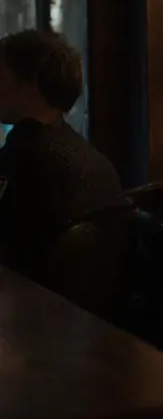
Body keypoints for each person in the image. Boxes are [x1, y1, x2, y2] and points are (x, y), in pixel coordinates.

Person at [0, 30, 124, 277]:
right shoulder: (89, 156)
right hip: (84, 311)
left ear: (30, 84)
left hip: (31, 307)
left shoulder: (24, 155)